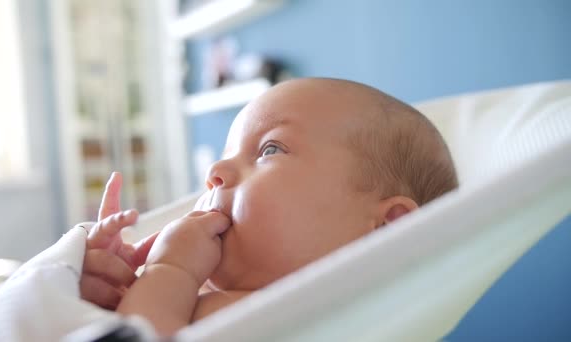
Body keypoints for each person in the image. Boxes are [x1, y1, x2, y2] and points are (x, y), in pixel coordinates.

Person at [80, 78, 459, 336]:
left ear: (387, 228)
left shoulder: (309, 323)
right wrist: (105, 290)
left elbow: (137, 335)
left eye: (270, 149)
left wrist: (169, 271)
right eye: (228, 153)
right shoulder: (204, 295)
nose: (215, 171)